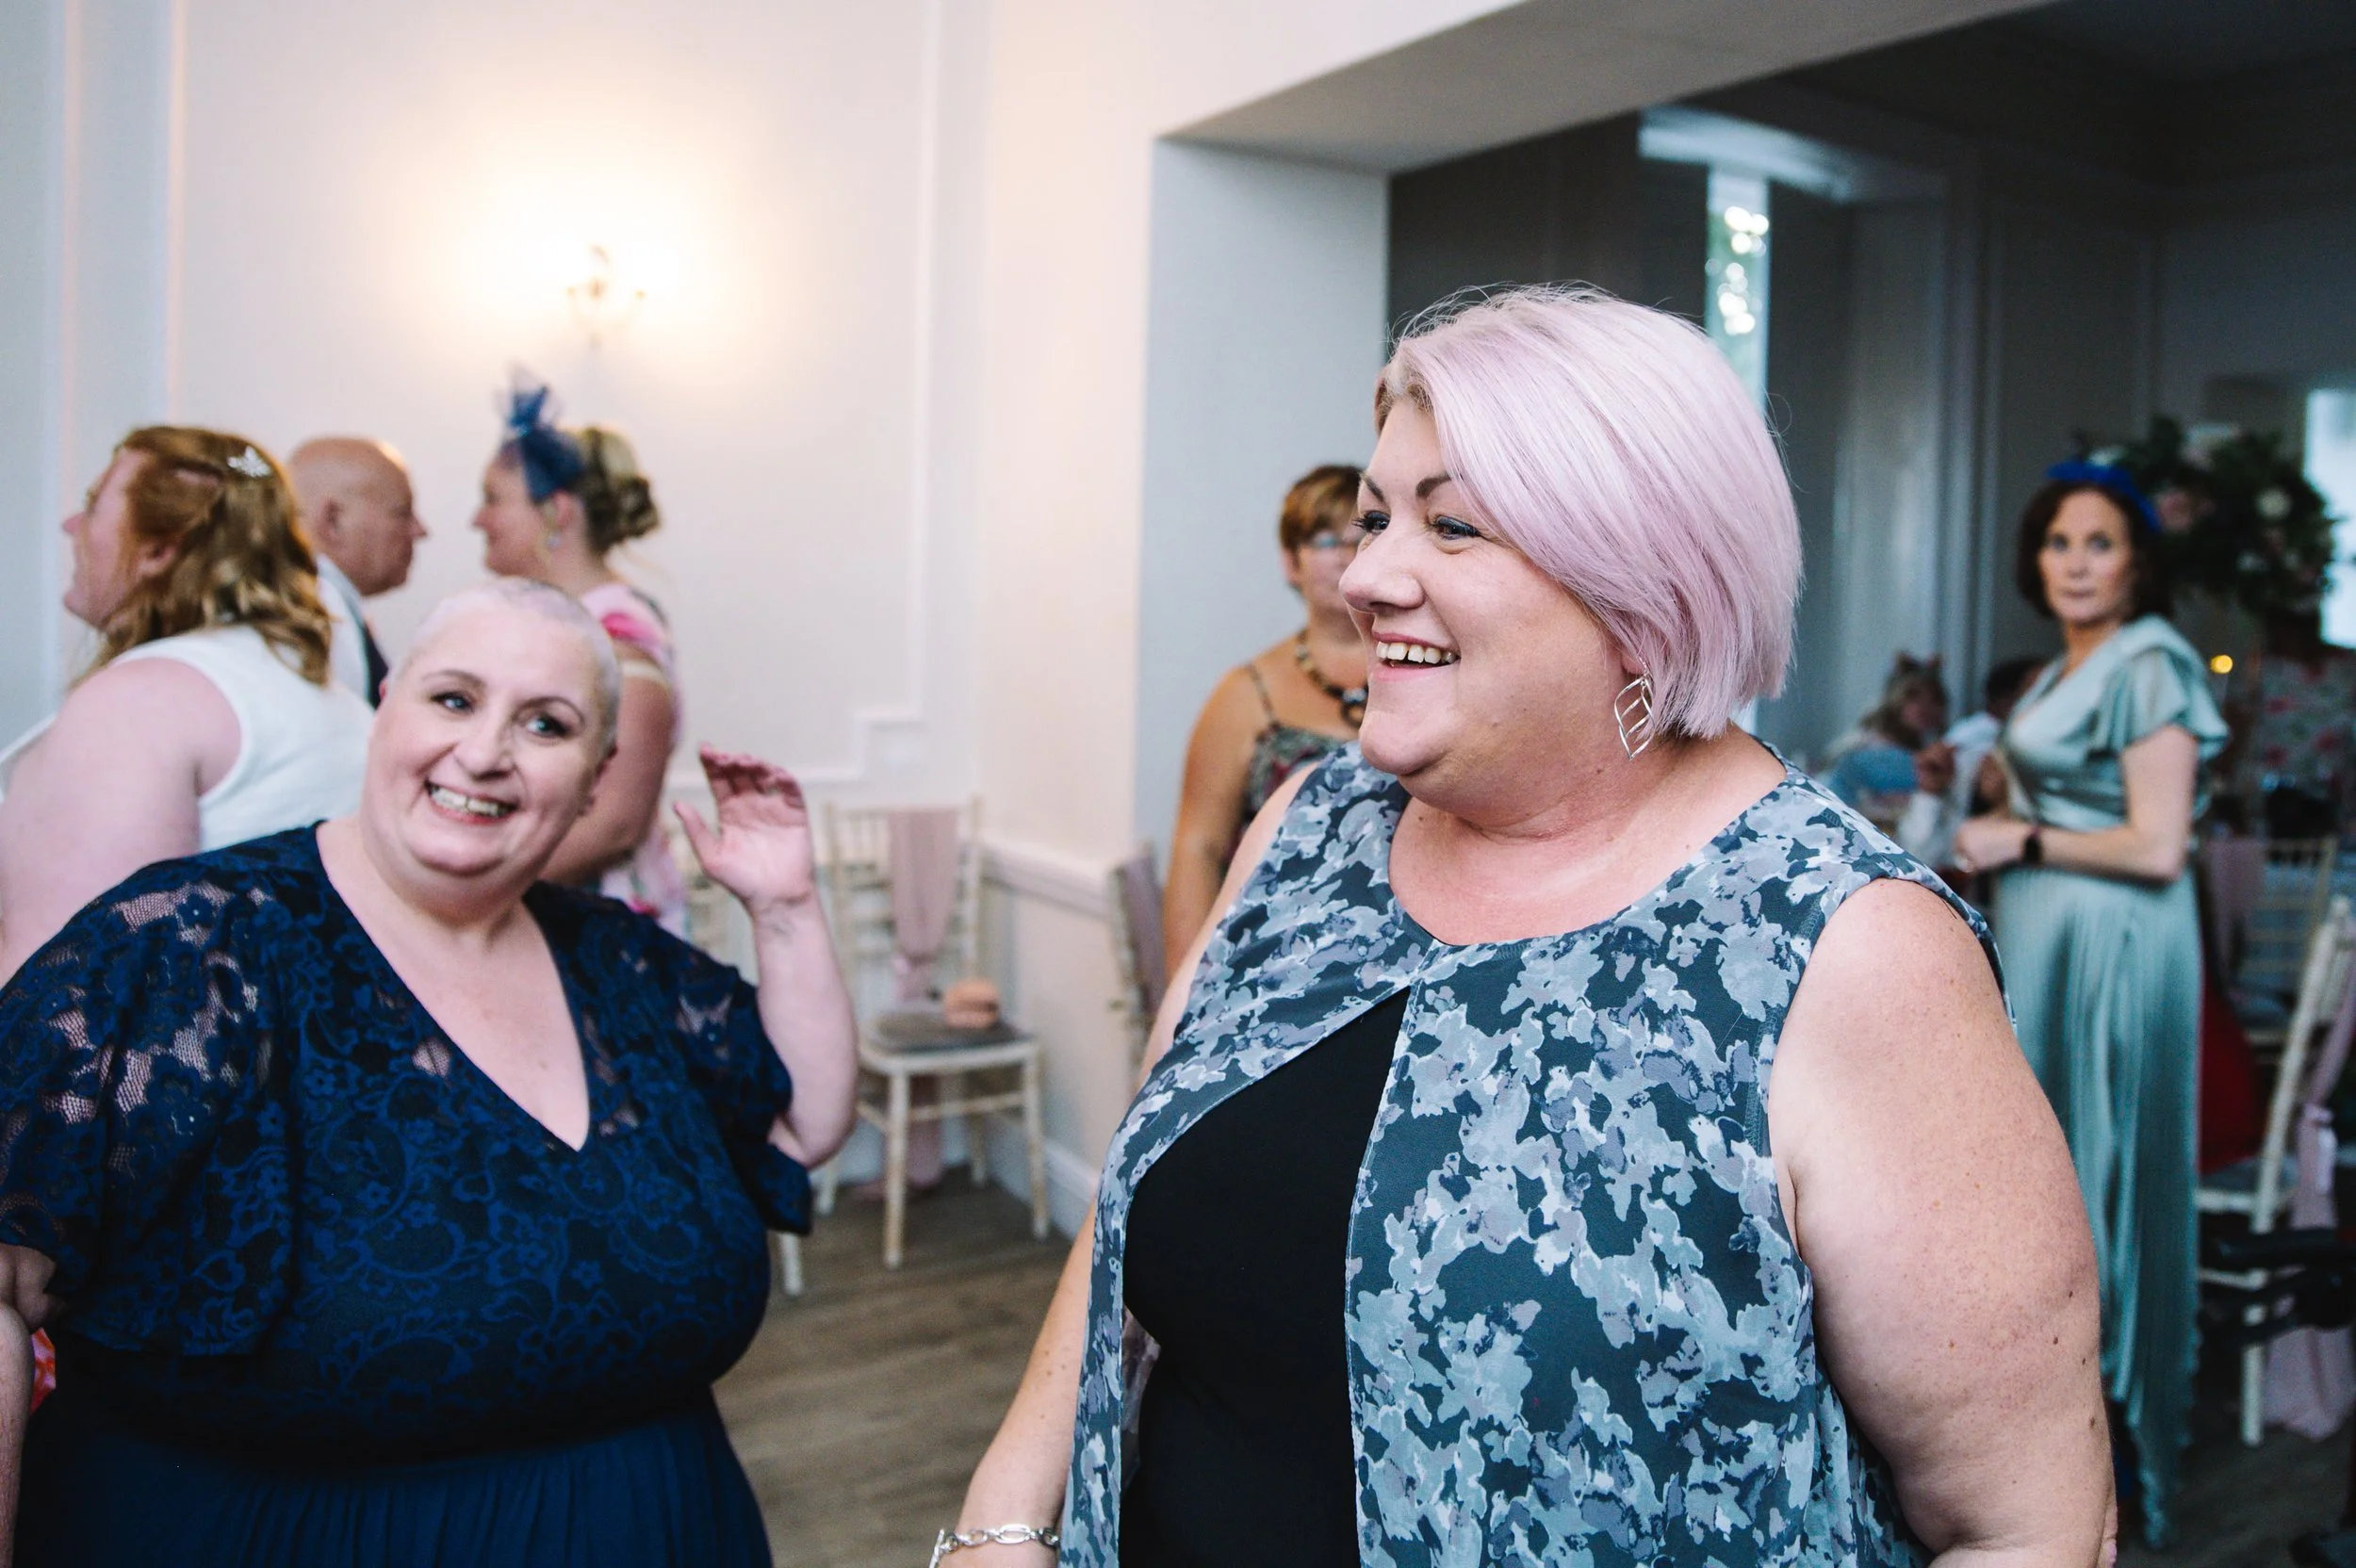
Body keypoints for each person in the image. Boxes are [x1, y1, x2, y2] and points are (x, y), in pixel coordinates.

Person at [949, 287, 2110, 1568]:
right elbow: (1135, 1196)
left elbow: (2028, 1529)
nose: (1366, 578)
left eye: (1451, 524)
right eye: (1376, 517)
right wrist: (1002, 1520)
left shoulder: (1843, 945)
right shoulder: (1306, 829)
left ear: (1645, 584)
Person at [0, 580, 859, 1567]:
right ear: (385, 710)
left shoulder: (620, 963)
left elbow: (805, 1120)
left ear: (594, 780)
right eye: (453, 699)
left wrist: (785, 907)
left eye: (546, 724)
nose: (485, 752)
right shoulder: (191, 946)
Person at [1952, 458, 2228, 1546]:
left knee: (2100, 1174)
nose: (2075, 563)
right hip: (2054, 940)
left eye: (2099, 543)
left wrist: (2018, 837)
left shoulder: (2152, 657)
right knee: (2049, 1173)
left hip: (2116, 948)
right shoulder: (2066, 666)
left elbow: (2158, 845)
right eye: (2058, 541)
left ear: (2136, 561)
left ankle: (2105, 1461)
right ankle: (2047, 1454)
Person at [0, 427, 371, 983]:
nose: (71, 526)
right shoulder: (329, 698)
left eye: (94, 505)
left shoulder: (140, 702)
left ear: (158, 549)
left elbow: (63, 985)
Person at [474, 382, 687, 932]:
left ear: (556, 512)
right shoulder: (561, 621)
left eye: (494, 499)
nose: (478, 520)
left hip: (607, 931)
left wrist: (466, 889)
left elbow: (613, 826)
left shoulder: (619, 635)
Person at [1161, 465, 1366, 977]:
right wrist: (1187, 992)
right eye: (1325, 540)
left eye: (1363, 535)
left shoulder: (1430, 676)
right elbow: (1198, 848)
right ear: (1291, 562)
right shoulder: (1247, 694)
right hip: (1269, 966)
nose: (1346, 554)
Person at [288, 435, 430, 705]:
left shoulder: (318, 603)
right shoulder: (317, 612)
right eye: (402, 513)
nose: (420, 530)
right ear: (333, 520)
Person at [2222, 605, 2356, 838]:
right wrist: (2224, 779)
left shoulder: (2345, 665)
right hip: (2265, 789)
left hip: (2331, 790)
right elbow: (2237, 720)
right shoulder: (2259, 666)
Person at [1815, 653, 1956, 854]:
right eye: (1913, 697)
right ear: (1895, 699)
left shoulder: (1938, 752)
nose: (1925, 707)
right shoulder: (1863, 746)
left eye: (1934, 699)